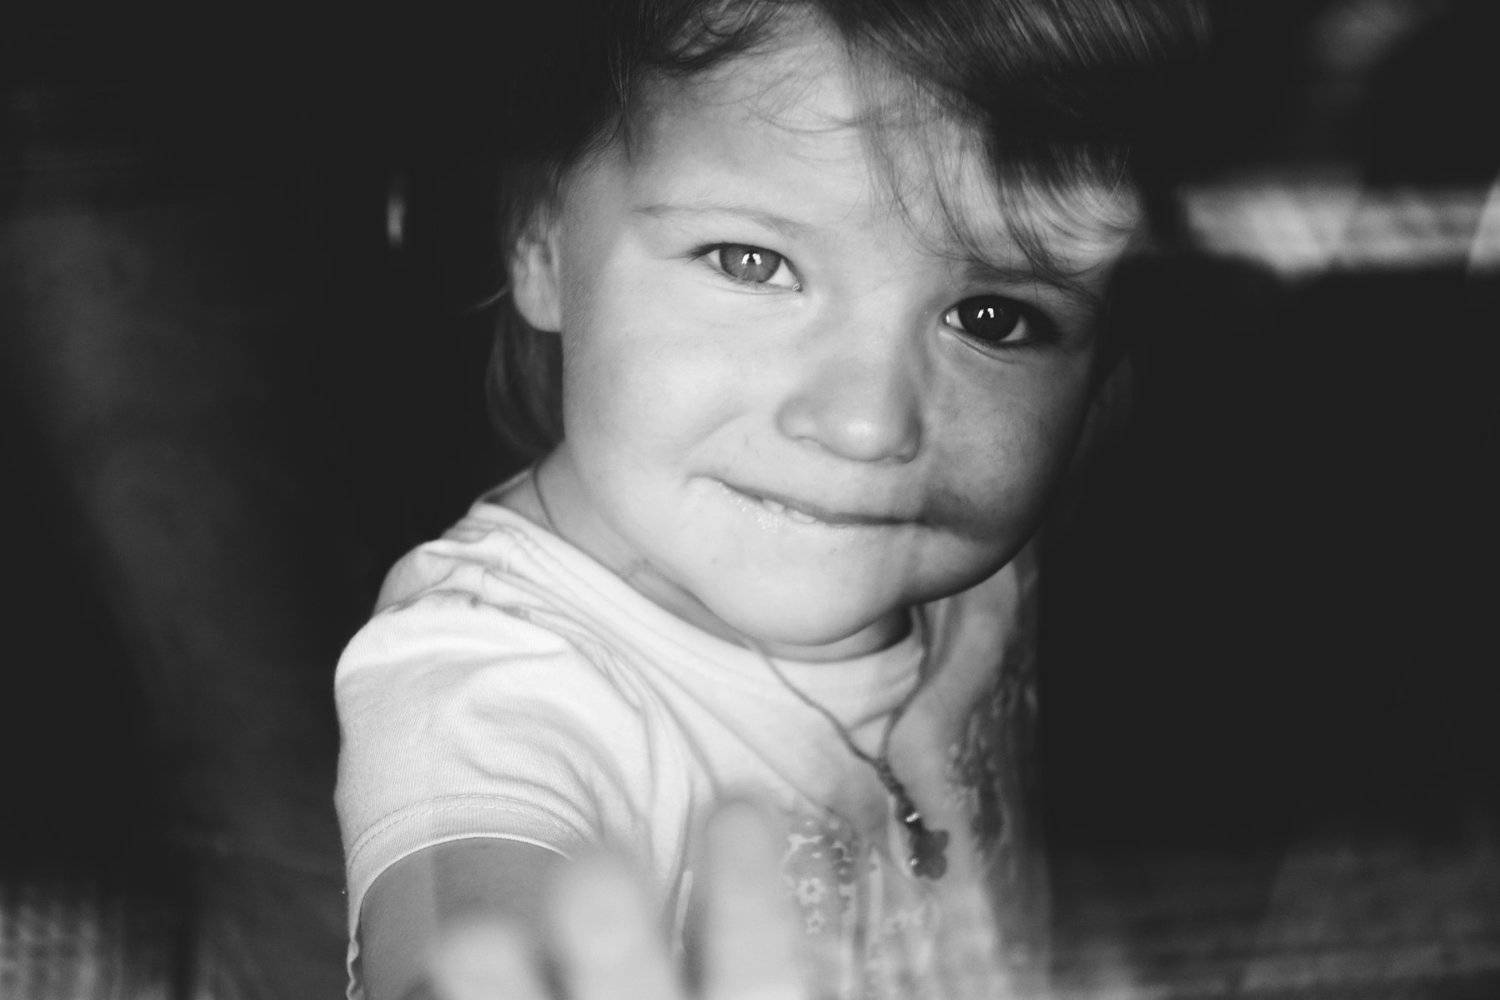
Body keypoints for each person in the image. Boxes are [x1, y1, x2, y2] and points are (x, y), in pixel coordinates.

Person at [334, 1, 1204, 997]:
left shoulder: (983, 579)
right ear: (541, 240)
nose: (868, 425)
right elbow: (474, 933)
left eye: (992, 317)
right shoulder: (485, 683)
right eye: (753, 264)